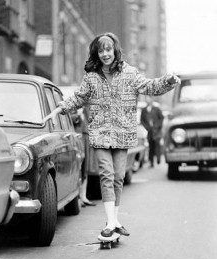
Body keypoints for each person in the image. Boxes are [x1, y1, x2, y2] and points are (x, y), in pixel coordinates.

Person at [44, 32, 180, 238]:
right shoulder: (91, 77)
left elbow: (150, 86)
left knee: (118, 177)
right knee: (106, 175)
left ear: (115, 51)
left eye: (108, 49)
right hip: (100, 133)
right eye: (101, 50)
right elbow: (79, 98)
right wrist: (59, 108)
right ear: (96, 53)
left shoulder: (130, 73)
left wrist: (168, 80)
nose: (105, 54)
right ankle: (109, 223)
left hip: (123, 133)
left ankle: (115, 221)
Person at [71, 105, 96, 207]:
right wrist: (78, 114)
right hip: (78, 138)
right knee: (79, 167)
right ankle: (77, 197)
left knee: (85, 168)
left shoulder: (89, 107)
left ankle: (83, 196)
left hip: (86, 137)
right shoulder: (75, 106)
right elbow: (70, 119)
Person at [140, 96, 164, 167]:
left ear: (151, 99)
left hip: (157, 131)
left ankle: (158, 159)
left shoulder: (156, 109)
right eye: (146, 99)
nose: (148, 100)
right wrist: (147, 127)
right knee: (151, 147)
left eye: (149, 98)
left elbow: (161, 118)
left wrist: (158, 126)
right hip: (150, 132)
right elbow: (142, 120)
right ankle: (151, 162)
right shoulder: (144, 110)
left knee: (157, 145)